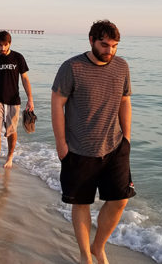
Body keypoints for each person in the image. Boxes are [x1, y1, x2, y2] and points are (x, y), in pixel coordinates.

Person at [51, 20, 136, 264]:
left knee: (120, 200)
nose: (110, 51)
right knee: (81, 203)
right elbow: (57, 102)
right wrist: (61, 144)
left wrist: (127, 138)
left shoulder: (121, 66)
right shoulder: (72, 67)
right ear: (91, 40)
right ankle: (85, 255)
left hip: (115, 146)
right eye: (104, 45)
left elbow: (124, 100)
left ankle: (98, 247)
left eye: (114, 46)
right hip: (79, 149)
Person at [0, 30, 33, 180]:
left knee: (11, 131)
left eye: (5, 45)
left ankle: (10, 156)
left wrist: (30, 99)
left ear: (10, 43)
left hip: (13, 100)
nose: (2, 48)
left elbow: (24, 79)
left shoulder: (18, 57)